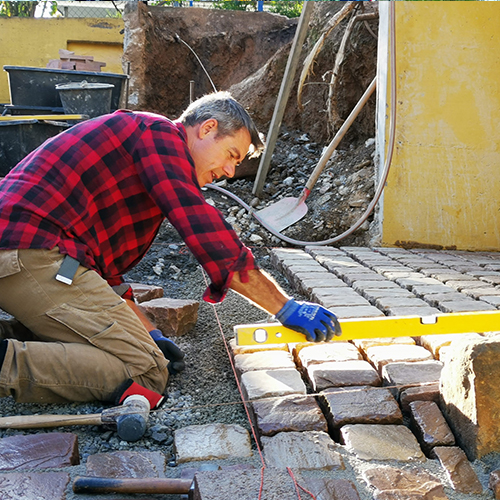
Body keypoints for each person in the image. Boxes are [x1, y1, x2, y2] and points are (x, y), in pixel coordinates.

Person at [0, 91, 340, 410]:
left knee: (137, 349)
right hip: (30, 252)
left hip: (27, 253)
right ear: (207, 129)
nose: (229, 172)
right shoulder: (159, 135)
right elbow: (206, 233)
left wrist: (151, 333)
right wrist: (284, 307)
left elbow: (105, 277)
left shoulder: (140, 146)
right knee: (145, 371)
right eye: (231, 156)